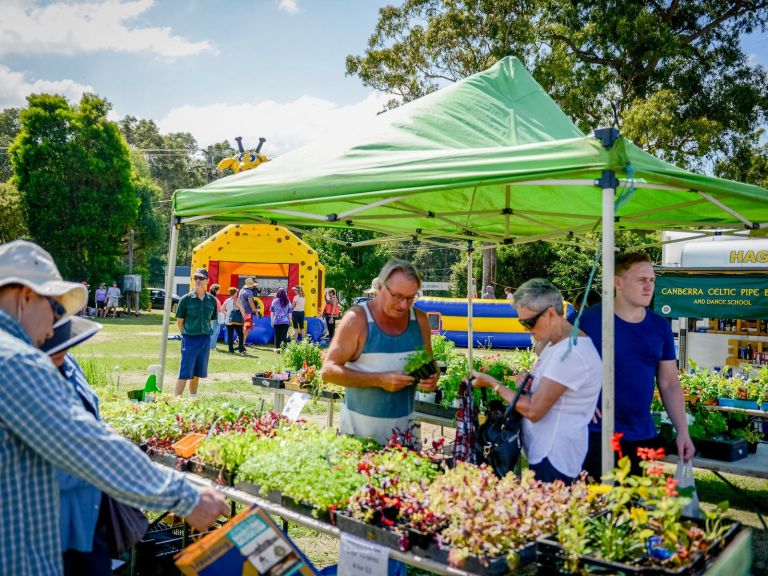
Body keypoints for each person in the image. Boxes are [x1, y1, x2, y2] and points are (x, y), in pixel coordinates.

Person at [0, 240, 229, 576]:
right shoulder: (15, 361)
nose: (53, 328)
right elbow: (84, 445)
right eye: (57, 309)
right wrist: (188, 497)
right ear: (27, 295)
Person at [472, 278, 602, 484]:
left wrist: (493, 384)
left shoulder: (571, 352)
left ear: (551, 314)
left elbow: (534, 410)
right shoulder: (556, 345)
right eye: (522, 323)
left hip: (555, 458)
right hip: (545, 452)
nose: (526, 329)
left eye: (529, 322)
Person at [578, 252, 695, 478]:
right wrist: (577, 393)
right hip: (595, 433)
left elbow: (669, 383)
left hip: (641, 434)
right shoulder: (589, 320)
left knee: (636, 509)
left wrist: (683, 431)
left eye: (651, 280)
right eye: (641, 280)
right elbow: (549, 349)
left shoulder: (659, 326)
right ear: (618, 282)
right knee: (598, 508)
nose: (648, 286)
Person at [320, 259, 440, 446]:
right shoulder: (357, 319)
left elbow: (429, 364)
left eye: (410, 298)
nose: (403, 305)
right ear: (381, 287)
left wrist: (431, 378)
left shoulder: (420, 321)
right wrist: (378, 380)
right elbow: (328, 371)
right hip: (360, 441)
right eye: (397, 296)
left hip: (405, 441)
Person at [41, 316, 111, 576]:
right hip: (48, 531)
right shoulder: (22, 381)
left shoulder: (69, 363)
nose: (64, 348)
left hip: (89, 517)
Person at [175, 268, 218, 397]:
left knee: (197, 371)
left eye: (201, 278)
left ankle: (192, 398)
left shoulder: (211, 300)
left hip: (204, 339)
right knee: (185, 371)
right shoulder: (186, 299)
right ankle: (176, 400)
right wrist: (186, 335)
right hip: (190, 339)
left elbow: (210, 320)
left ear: (207, 281)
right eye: (196, 278)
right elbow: (180, 321)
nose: (198, 281)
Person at [224, 287, 247, 354]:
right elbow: (242, 309)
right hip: (236, 320)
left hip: (228, 320)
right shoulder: (237, 300)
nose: (237, 293)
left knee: (230, 335)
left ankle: (231, 349)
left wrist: (228, 314)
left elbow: (222, 309)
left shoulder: (227, 300)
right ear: (234, 293)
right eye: (236, 292)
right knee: (240, 334)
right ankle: (241, 349)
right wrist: (244, 317)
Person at [239, 277, 260, 346]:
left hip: (241, 311)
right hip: (247, 313)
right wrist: (256, 312)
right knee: (246, 328)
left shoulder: (241, 290)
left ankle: (239, 340)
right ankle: (242, 342)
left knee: (243, 327)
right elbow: (251, 303)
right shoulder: (249, 292)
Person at [209, 283, 223, 351]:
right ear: (215, 290)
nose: (219, 291)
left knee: (217, 332)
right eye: (218, 290)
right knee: (214, 331)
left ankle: (213, 345)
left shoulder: (213, 297)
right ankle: (211, 346)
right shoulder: (212, 298)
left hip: (217, 315)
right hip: (215, 315)